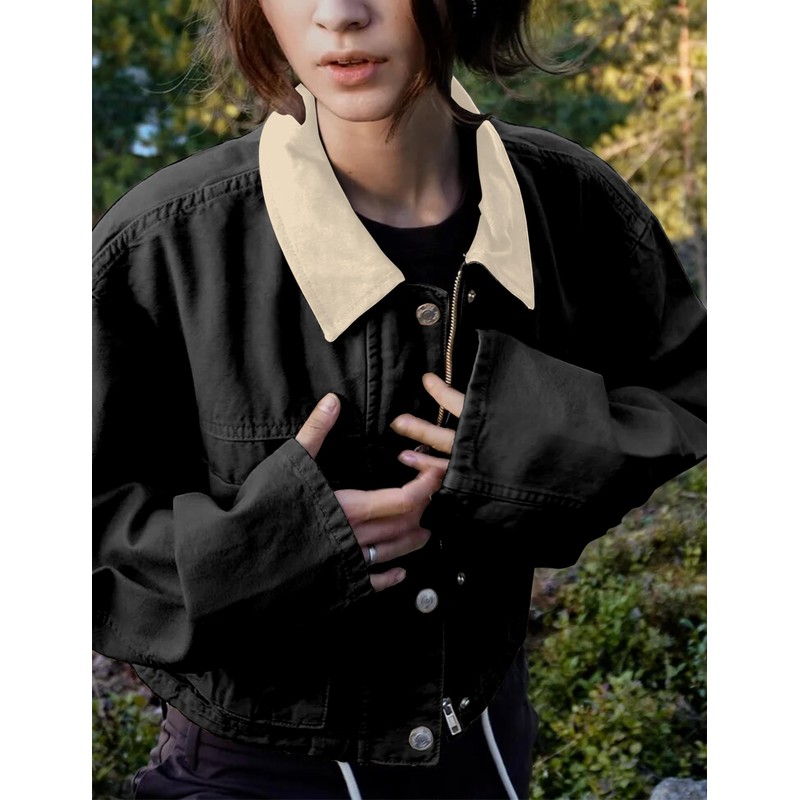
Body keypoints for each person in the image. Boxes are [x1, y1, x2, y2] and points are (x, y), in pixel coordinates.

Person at [92, 0, 707, 797]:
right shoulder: (162, 246)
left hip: (487, 750)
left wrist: (535, 442)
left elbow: (686, 395)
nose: (340, 15)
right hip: (245, 770)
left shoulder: (573, 205)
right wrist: (268, 548)